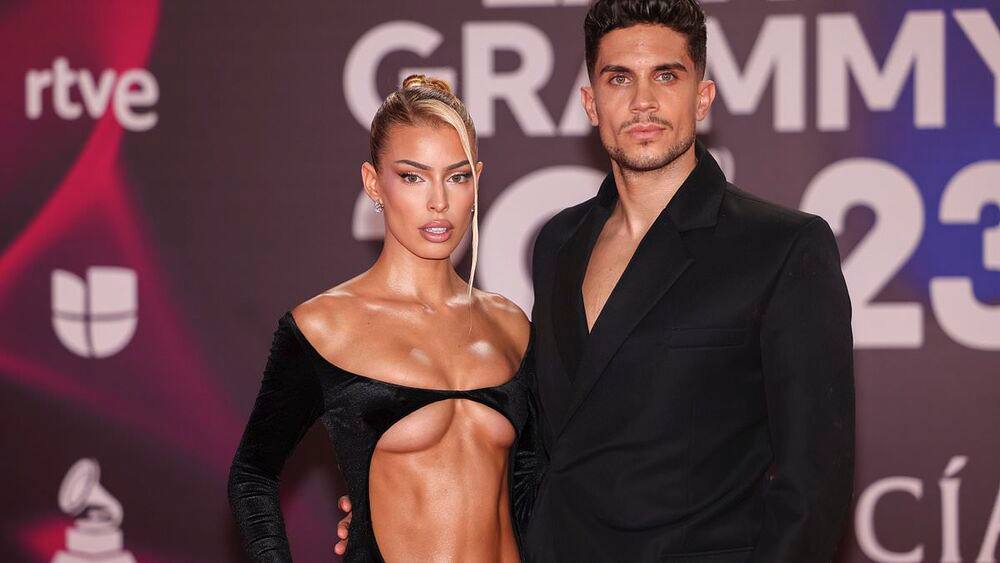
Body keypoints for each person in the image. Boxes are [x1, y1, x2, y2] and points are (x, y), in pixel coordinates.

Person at [336, 1, 855, 561]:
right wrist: (407, 496)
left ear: (703, 96)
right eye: (619, 79)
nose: (642, 102)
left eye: (666, 76)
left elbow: (814, 485)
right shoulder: (558, 243)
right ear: (590, 103)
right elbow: (539, 448)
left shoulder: (781, 247)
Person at [227, 74, 539, 562]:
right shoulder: (323, 327)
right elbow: (252, 475)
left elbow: (535, 482)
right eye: (413, 176)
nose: (439, 201)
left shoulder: (511, 326)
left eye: (457, 176)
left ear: (477, 180)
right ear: (374, 182)